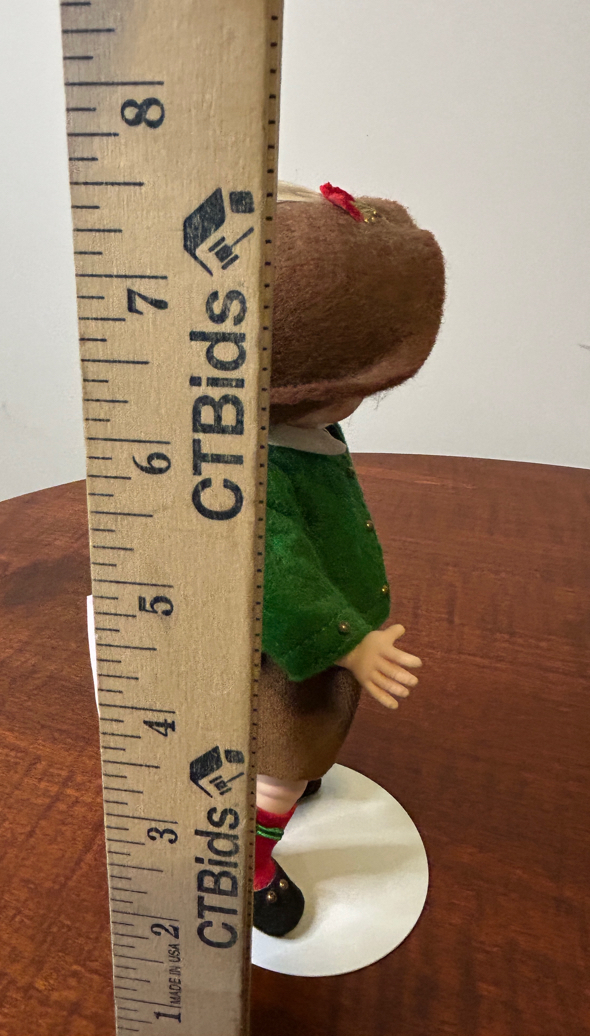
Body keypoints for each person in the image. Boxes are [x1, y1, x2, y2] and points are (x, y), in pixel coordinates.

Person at [253, 182, 446, 936]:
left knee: (308, 747)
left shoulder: (304, 431)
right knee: (282, 760)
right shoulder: (259, 472)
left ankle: (292, 784)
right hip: (292, 658)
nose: (360, 401)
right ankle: (250, 862)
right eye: (350, 387)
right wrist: (351, 643)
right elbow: (277, 575)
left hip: (335, 635)